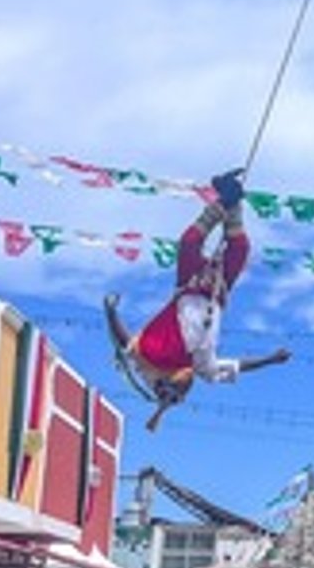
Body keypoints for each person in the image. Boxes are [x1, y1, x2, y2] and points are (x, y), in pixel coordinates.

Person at [104, 169, 291, 431]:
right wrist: (271, 359)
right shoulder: (204, 364)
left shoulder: (150, 358)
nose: (187, 378)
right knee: (240, 249)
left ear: (165, 381)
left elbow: (124, 341)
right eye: (187, 385)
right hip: (218, 289)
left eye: (179, 382)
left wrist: (111, 313)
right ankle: (230, 198)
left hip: (190, 285)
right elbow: (238, 366)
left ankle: (223, 200)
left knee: (189, 243)